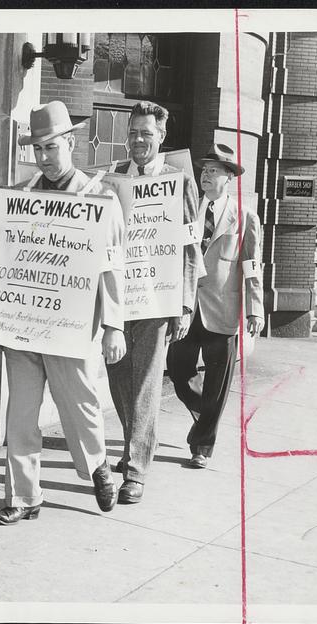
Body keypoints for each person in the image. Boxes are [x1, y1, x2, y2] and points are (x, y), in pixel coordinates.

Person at [0, 101, 126, 526]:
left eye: (52, 147)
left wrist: (113, 325)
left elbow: (112, 266)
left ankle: (98, 466)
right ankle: (24, 496)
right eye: (38, 149)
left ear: (70, 143)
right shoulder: (23, 195)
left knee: (80, 404)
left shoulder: (98, 197)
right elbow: (6, 260)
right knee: (21, 413)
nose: (45, 157)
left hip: (72, 324)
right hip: (25, 324)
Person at [105, 100, 204, 503]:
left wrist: (185, 304)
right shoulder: (112, 180)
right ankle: (135, 447)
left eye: (147, 133)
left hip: (157, 300)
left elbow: (191, 248)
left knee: (145, 382)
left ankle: (136, 471)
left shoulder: (178, 180)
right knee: (118, 380)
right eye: (133, 133)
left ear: (161, 137)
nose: (139, 140)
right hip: (117, 299)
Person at [166, 143, 264, 468]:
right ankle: (202, 413)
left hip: (223, 308)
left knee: (218, 384)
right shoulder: (187, 208)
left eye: (212, 171)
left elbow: (251, 264)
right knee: (178, 370)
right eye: (204, 169)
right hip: (186, 306)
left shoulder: (245, 216)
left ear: (229, 177)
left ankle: (202, 447)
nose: (205, 175)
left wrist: (255, 308)